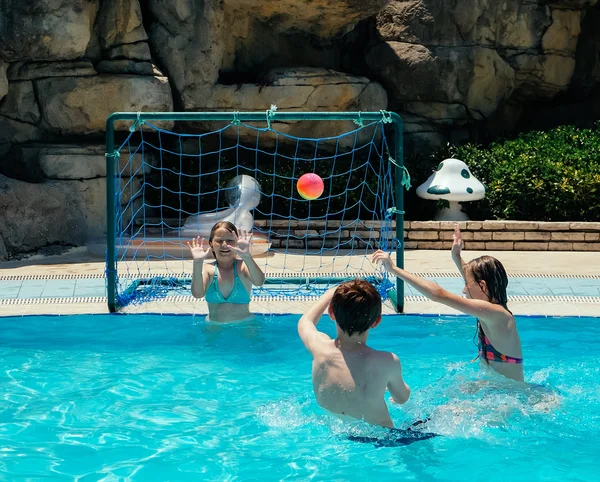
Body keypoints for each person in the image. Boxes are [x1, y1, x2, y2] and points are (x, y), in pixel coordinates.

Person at [372, 226, 524, 382]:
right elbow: (469, 275)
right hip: (494, 391)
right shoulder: (492, 311)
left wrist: (395, 269)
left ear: (483, 286)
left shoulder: (496, 314)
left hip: (508, 396)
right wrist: (456, 256)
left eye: (466, 284)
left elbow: (437, 294)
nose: (464, 290)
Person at [297, 279, 412, 428]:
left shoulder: (319, 348)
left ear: (331, 312)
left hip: (334, 431)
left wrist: (328, 295)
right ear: (376, 321)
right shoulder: (386, 361)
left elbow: (305, 322)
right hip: (381, 438)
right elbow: (402, 398)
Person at [187, 221, 265, 322]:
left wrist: (247, 257)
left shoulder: (243, 266)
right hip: (214, 329)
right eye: (219, 241)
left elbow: (259, 282)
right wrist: (197, 263)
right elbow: (197, 294)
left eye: (230, 240)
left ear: (237, 242)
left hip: (245, 328)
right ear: (211, 244)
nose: (224, 245)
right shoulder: (208, 269)